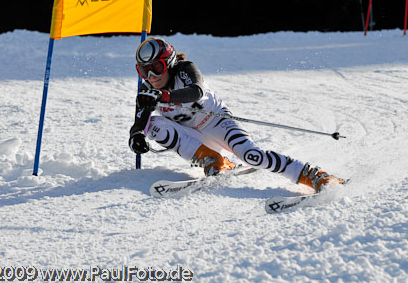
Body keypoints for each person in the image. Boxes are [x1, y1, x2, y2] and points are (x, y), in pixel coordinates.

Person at [128, 38, 344, 192]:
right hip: (193, 139)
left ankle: (315, 175)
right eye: (144, 70)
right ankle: (212, 160)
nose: (151, 76)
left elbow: (196, 91)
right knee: (153, 124)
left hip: (217, 122)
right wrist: (136, 137)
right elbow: (140, 123)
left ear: (170, 61)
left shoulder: (185, 69)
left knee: (252, 156)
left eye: (156, 67)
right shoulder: (147, 90)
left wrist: (163, 96)